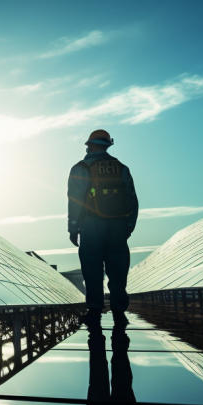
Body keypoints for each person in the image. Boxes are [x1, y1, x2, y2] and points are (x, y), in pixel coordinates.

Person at [67, 129, 139, 326]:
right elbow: (132, 199)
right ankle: (119, 312)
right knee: (117, 271)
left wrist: (73, 227)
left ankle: (94, 311)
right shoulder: (121, 168)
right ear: (107, 146)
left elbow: (75, 200)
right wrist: (129, 225)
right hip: (118, 227)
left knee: (92, 271)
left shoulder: (81, 168)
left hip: (91, 226)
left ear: (90, 145)